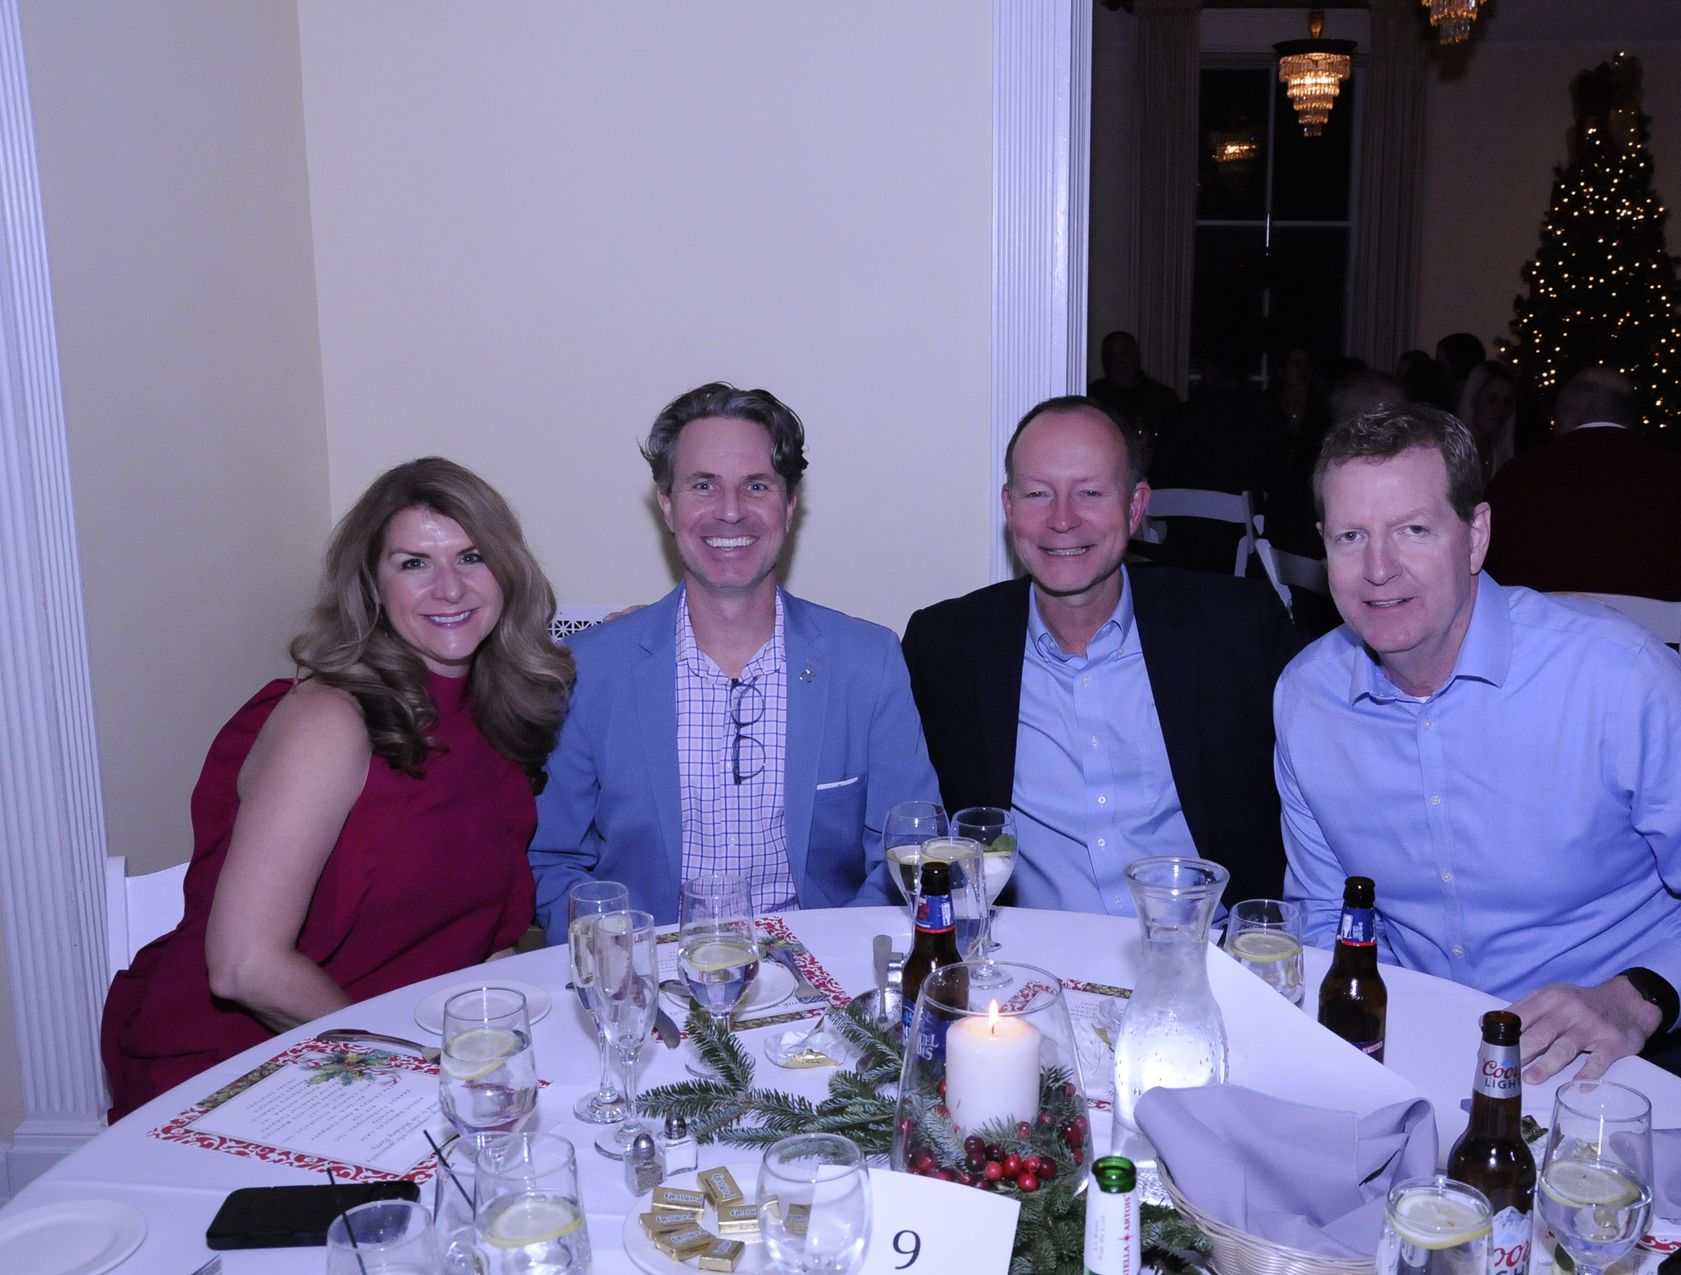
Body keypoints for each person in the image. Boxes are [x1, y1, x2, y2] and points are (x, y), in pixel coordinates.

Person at [1275, 405, 1681, 1104]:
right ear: (1324, 547)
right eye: (1352, 536)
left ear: (1475, 536)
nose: (1379, 568)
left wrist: (1634, 996)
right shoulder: (1308, 699)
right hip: (1420, 1057)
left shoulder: (1615, 676)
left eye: (1413, 529)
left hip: (1625, 1057)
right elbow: (1323, 914)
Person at [101, 459, 572, 1120]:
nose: (449, 587)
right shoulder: (330, 719)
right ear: (372, 585)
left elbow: (480, 941)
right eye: (414, 562)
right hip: (257, 1068)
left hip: (410, 1062)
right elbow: (244, 965)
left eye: (471, 556)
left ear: (507, 570)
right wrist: (408, 1070)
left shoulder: (494, 715)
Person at [529, 382, 938, 933]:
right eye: (703, 485)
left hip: (823, 987)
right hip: (651, 987)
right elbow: (553, 861)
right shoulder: (591, 670)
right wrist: (619, 965)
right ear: (667, 505)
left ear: (789, 505)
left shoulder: (868, 662)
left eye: (756, 486)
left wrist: (833, 969)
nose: (730, 511)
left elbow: (908, 851)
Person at [903, 397, 1298, 915]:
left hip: (1208, 959)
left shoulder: (1236, 631)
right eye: (1038, 493)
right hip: (1034, 967)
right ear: (1009, 506)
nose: (1062, 519)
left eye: (1089, 492)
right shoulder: (945, 646)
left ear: (1135, 507)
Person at [1484, 366, 1681, 601]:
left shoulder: (1517, 477)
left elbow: (1487, 562)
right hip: (1653, 642)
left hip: (1539, 641)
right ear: (1632, 419)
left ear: (1563, 417)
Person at [1089, 330, 1182, 451]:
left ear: (1137, 355)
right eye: (1112, 356)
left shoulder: (1163, 397)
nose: (1119, 362)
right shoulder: (1093, 398)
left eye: (1125, 354)